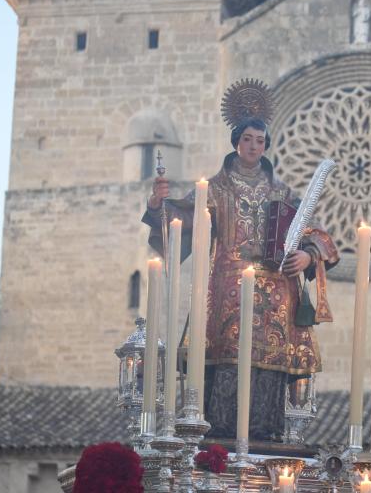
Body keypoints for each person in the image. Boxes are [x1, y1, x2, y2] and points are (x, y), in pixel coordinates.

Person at [142, 117, 338, 441]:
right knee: (226, 363)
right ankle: (220, 436)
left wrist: (308, 255)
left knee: (269, 365)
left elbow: (312, 232)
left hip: (277, 295)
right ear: (236, 142)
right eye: (247, 139)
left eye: (260, 141)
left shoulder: (281, 191)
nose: (253, 146)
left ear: (266, 146)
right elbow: (178, 220)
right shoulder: (215, 189)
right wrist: (156, 205)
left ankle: (265, 436)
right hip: (225, 294)